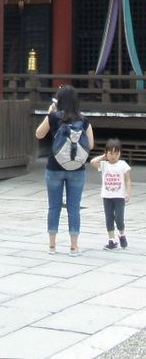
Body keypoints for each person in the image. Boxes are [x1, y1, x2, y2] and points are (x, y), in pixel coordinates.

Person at [35, 84, 94, 256]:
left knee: (53, 207)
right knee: (74, 208)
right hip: (77, 169)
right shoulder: (83, 120)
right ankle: (74, 247)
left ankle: (52, 246)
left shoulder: (53, 117)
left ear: (58, 101)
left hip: (54, 167)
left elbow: (39, 134)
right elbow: (90, 144)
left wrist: (49, 113)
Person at [90, 138, 131, 250]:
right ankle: (111, 240)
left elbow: (127, 179)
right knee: (109, 218)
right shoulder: (104, 165)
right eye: (111, 153)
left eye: (116, 153)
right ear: (106, 153)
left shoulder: (123, 164)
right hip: (107, 196)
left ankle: (122, 234)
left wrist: (127, 192)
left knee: (119, 218)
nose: (113, 156)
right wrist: (103, 157)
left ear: (120, 154)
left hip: (119, 196)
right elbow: (93, 162)